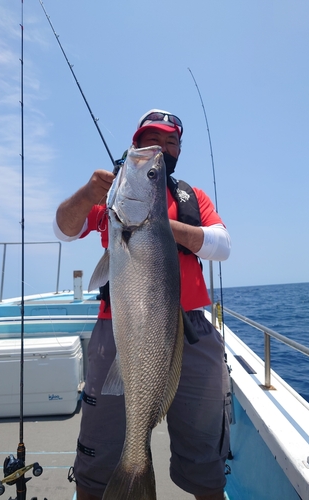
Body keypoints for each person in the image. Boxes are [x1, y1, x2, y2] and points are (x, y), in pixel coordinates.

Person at [53, 109, 232, 500]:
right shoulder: (111, 199)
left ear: (179, 150)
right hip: (121, 330)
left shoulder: (191, 197)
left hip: (191, 331)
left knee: (206, 464)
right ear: (134, 145)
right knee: (97, 458)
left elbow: (222, 245)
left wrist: (162, 226)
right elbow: (64, 228)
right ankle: (125, 468)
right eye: (150, 141)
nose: (159, 150)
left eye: (170, 142)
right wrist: (87, 194)